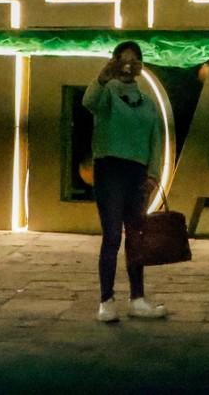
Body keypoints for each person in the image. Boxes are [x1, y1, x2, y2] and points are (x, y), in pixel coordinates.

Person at [82, 41, 168, 323]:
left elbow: (155, 140)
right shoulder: (107, 93)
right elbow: (88, 102)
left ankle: (137, 299)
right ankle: (106, 301)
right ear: (115, 61)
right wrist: (102, 77)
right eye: (123, 59)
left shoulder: (148, 102)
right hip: (110, 169)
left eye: (134, 60)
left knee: (136, 237)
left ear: (141, 65)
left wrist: (153, 174)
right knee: (112, 237)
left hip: (137, 173)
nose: (129, 65)